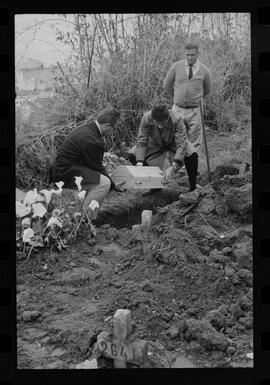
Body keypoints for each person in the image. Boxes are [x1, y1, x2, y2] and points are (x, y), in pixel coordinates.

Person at [50, 109, 123, 211]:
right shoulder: (92, 140)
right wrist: (113, 185)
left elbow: (94, 166)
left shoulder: (88, 128)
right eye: (113, 129)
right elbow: (97, 167)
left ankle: (82, 209)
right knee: (104, 183)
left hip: (65, 167)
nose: (113, 132)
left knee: (99, 178)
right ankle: (84, 218)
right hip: (65, 171)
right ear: (107, 125)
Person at [163, 42, 212, 191]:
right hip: (177, 109)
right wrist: (178, 98)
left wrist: (194, 99)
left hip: (195, 110)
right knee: (177, 138)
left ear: (198, 54)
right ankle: (176, 167)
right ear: (185, 54)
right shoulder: (176, 67)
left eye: (192, 55)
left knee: (194, 142)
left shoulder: (204, 70)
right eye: (187, 55)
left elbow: (207, 90)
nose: (190, 57)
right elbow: (166, 85)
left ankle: (191, 169)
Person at [127, 105, 188, 188]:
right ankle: (153, 184)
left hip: (175, 143)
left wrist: (174, 166)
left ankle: (193, 185)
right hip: (156, 143)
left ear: (168, 118)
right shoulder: (146, 118)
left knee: (192, 155)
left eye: (162, 124)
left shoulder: (177, 119)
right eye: (157, 123)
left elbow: (182, 144)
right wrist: (140, 162)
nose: (159, 126)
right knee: (133, 154)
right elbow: (142, 141)